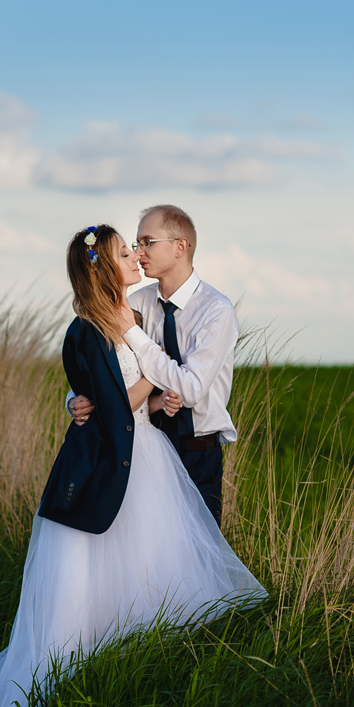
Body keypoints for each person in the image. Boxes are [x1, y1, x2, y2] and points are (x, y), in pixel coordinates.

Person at [0, 225, 265, 707]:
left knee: (149, 571)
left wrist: (155, 401)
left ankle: (148, 677)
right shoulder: (91, 327)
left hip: (151, 457)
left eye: (138, 248)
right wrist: (154, 381)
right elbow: (107, 404)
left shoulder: (137, 310)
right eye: (125, 252)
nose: (135, 256)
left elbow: (119, 395)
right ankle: (85, 687)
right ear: (103, 268)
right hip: (124, 463)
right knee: (112, 568)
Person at [68, 205, 238, 525]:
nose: (139, 252)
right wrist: (73, 399)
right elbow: (100, 366)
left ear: (179, 247)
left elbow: (190, 389)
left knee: (198, 554)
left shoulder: (217, 311)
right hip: (142, 446)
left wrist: (134, 332)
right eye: (136, 244)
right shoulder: (135, 301)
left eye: (147, 241)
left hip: (197, 451)